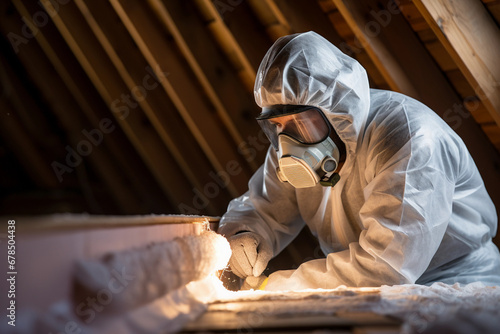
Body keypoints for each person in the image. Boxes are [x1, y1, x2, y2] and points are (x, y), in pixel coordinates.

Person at [218, 31, 500, 291]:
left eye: (300, 122)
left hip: (458, 286)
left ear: (337, 111)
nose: (288, 141)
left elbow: (385, 267)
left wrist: (274, 287)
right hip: (362, 290)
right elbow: (264, 208)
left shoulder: (409, 139)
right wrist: (246, 233)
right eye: (276, 125)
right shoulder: (292, 142)